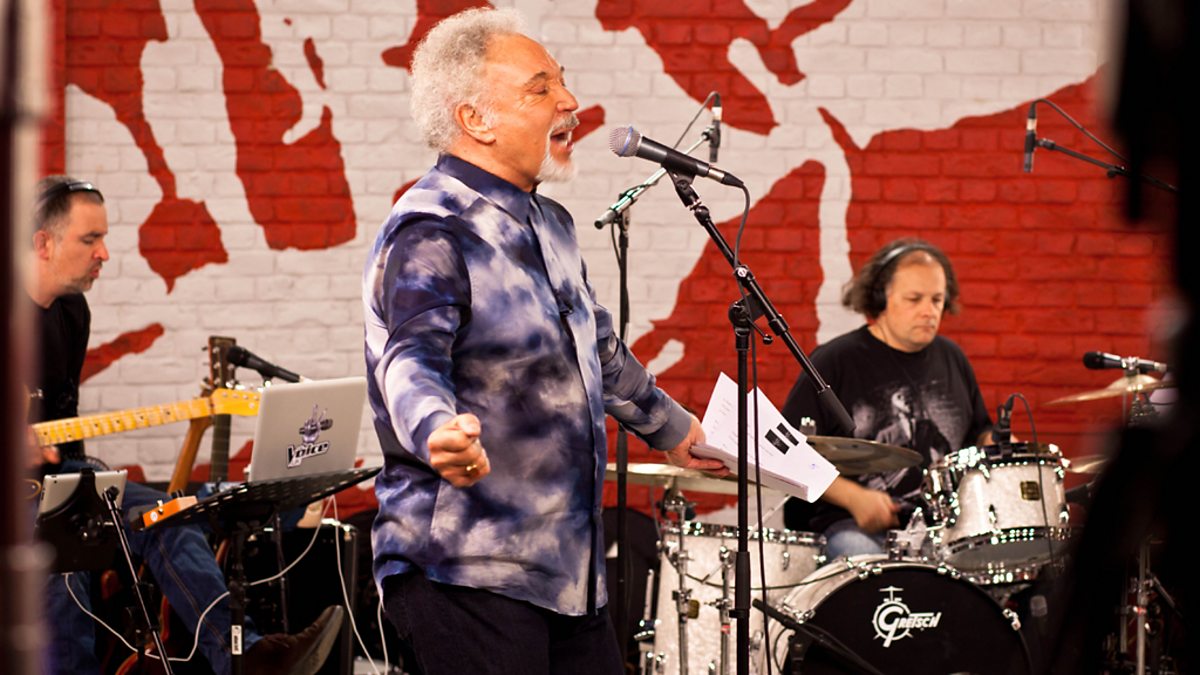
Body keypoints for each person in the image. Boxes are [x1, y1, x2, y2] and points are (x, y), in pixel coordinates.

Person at [362, 9, 723, 674]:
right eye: (541, 88)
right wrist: (436, 429)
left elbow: (597, 351)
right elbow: (409, 360)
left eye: (563, 81)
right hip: (466, 571)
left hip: (565, 574)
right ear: (475, 119)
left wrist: (676, 431)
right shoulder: (432, 228)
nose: (570, 101)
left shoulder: (550, 223)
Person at [27, 175, 344, 675]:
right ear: (43, 244)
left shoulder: (70, 312)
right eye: (90, 239)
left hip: (55, 482)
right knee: (62, 543)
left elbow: (63, 420)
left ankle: (247, 659)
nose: (104, 253)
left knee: (169, 515)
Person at [780, 238, 993, 558]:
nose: (929, 311)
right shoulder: (835, 361)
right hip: (850, 526)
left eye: (937, 299)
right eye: (914, 299)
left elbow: (980, 435)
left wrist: (1004, 448)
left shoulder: (953, 358)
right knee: (860, 554)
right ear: (881, 298)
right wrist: (853, 497)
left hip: (941, 529)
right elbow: (784, 450)